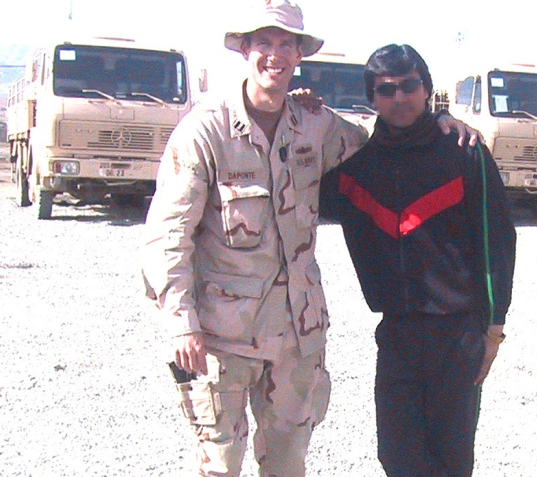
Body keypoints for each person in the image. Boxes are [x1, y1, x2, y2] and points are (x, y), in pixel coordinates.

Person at [141, 3, 476, 474]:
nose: (274, 55)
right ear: (244, 49)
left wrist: (440, 124)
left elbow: (384, 141)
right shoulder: (205, 132)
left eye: (286, 44)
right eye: (263, 42)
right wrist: (182, 324)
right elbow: (168, 236)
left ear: (300, 54)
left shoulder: (315, 124)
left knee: (288, 465)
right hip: (222, 339)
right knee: (219, 466)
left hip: (296, 340)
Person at [319, 44, 517, 477]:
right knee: (397, 456)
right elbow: (295, 169)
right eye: (386, 90)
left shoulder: (464, 152)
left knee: (451, 458)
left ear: (427, 89)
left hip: (458, 332)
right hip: (398, 333)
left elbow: (498, 241)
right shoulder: (357, 166)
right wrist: (297, 106)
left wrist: (494, 327)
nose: (400, 98)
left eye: (409, 86)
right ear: (372, 98)